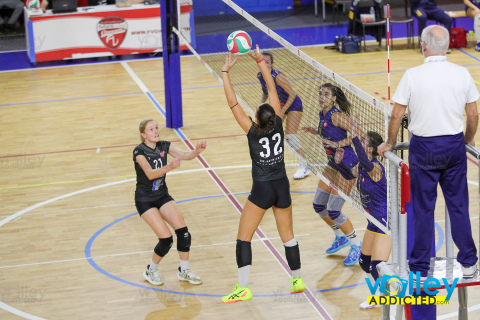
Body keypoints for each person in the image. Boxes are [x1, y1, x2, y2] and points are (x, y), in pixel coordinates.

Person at [378, 25, 479, 279]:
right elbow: (474, 113)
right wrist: (468, 140)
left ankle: (421, 268)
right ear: (447, 46)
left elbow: (397, 114)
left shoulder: (412, 75)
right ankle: (468, 263)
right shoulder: (462, 73)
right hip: (454, 147)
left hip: (423, 149)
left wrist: (389, 143)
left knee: (423, 209)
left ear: (424, 46)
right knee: (458, 206)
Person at [220, 45, 305, 303]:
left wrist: (226, 71)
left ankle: (243, 288)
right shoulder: (279, 121)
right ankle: (297, 279)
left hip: (262, 189)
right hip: (282, 186)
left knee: (243, 238)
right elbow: (272, 90)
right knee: (288, 236)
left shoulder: (253, 131)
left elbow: (232, 102)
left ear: (256, 119)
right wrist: (260, 62)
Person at [133, 118, 206, 286]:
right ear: (144, 135)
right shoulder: (139, 152)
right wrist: (170, 167)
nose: (156, 131)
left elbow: (185, 156)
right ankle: (150, 270)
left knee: (184, 232)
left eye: (157, 128)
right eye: (151, 129)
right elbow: (150, 174)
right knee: (166, 239)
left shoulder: (164, 145)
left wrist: (196, 151)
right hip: (145, 200)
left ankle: (184, 271)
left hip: (162, 195)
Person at [302, 83, 362, 266]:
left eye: (326, 94)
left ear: (334, 97)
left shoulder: (337, 115)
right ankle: (340, 237)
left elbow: (357, 133)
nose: (322, 97)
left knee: (334, 210)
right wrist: (316, 131)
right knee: (319, 205)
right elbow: (329, 131)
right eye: (320, 94)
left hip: (347, 165)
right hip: (332, 163)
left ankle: (356, 245)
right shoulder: (323, 114)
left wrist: (337, 145)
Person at [334, 123, 391, 309]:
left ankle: (382, 299)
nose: (359, 142)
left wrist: (355, 135)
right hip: (373, 221)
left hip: (384, 221)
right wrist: (339, 163)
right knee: (365, 262)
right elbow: (349, 176)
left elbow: (365, 162)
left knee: (377, 265)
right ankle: (387, 290)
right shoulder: (362, 167)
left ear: (371, 148)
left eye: (363, 141)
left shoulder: (374, 167)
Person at [257, 51, 310, 180]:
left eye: (267, 62)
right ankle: (272, 164)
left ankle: (304, 166)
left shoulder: (278, 77)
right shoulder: (260, 75)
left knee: (290, 136)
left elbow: (292, 94)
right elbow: (266, 92)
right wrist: (260, 105)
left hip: (293, 105)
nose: (265, 64)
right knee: (270, 133)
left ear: (272, 64)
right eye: (262, 61)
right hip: (279, 105)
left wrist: (283, 110)